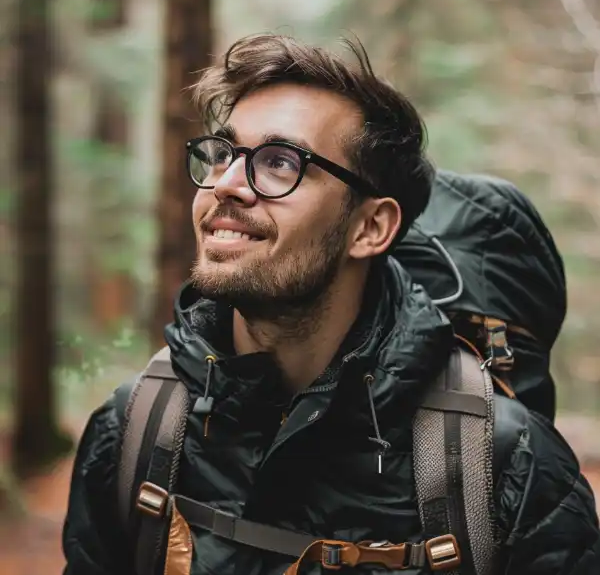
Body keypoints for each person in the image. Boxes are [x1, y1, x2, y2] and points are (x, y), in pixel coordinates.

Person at [62, 33, 600, 575]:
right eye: (223, 154)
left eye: (279, 162)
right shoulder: (137, 431)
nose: (227, 184)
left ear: (369, 228)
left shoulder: (506, 465)